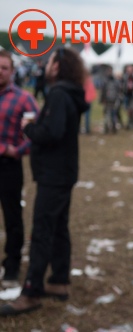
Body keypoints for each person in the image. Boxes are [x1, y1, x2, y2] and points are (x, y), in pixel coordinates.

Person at [0, 47, 88, 316]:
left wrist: (29, 128)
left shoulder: (59, 94)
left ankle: (31, 292)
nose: (46, 66)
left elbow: (52, 132)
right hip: (62, 172)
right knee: (59, 227)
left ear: (58, 67)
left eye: (50, 62)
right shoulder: (69, 92)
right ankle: (59, 281)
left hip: (54, 174)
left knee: (42, 231)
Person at [0, 50, 39, 288]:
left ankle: (12, 266)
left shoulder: (24, 99)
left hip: (8, 166)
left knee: (12, 217)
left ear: (12, 71)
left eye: (4, 67)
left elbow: (36, 133)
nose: (0, 71)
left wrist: (17, 150)